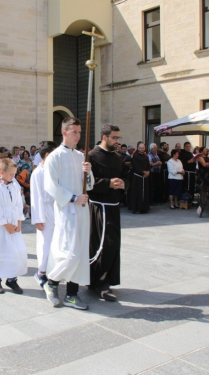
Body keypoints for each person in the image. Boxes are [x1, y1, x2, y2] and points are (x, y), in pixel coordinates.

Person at [43, 117, 93, 310]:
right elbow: (50, 186)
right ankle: (52, 281)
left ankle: (73, 293)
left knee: (80, 252)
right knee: (69, 253)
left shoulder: (81, 157)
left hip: (82, 211)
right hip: (67, 211)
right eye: (75, 132)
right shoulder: (54, 157)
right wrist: (72, 198)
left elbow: (89, 185)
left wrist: (89, 172)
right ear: (64, 132)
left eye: (80, 132)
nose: (78, 136)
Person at [87, 124, 129, 302]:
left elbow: (126, 175)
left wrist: (123, 183)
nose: (118, 141)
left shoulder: (118, 157)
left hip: (113, 205)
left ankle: (106, 280)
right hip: (99, 206)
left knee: (113, 244)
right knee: (104, 245)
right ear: (105, 137)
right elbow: (87, 183)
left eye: (119, 138)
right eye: (115, 138)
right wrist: (108, 184)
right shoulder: (91, 156)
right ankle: (99, 282)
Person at [0, 158, 27, 294]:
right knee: (0, 249)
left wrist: (19, 221)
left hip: (14, 222)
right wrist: (5, 224)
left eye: (14, 174)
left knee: (15, 250)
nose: (13, 177)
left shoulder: (14, 184)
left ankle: (12, 279)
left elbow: (18, 203)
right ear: (2, 172)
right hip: (1, 226)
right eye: (11, 174)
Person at [30, 141, 57, 288]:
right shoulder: (38, 173)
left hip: (55, 209)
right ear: (47, 155)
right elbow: (35, 197)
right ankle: (41, 272)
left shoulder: (54, 169)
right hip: (45, 211)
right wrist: (38, 219)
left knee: (55, 243)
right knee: (45, 243)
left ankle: (51, 271)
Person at [129, 142, 150, 214]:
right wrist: (143, 172)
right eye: (140, 148)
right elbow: (136, 166)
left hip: (145, 177)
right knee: (137, 193)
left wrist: (148, 172)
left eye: (143, 148)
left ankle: (144, 208)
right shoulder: (135, 156)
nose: (142, 150)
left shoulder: (146, 156)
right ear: (138, 148)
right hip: (138, 177)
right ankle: (137, 208)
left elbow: (148, 165)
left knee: (145, 193)